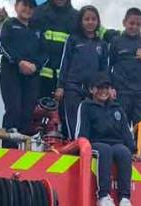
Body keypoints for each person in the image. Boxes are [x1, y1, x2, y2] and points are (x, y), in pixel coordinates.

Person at [76, 72, 138, 206]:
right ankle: (103, 196)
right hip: (95, 143)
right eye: (100, 87)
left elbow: (126, 132)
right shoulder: (86, 106)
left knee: (124, 152)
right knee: (105, 151)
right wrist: (82, 147)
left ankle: (124, 199)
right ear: (92, 89)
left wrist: (134, 151)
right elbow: (81, 132)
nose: (104, 91)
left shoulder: (117, 109)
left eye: (107, 87)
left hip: (116, 144)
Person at [0, 0, 78, 99]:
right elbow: (21, 29)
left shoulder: (77, 17)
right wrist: (2, 23)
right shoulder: (37, 11)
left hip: (63, 84)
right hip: (35, 77)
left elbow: (92, 35)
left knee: (62, 114)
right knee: (25, 112)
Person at [109, 7, 141, 161]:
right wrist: (110, 87)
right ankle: (121, 153)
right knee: (119, 124)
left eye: (138, 24)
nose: (134, 26)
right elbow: (107, 65)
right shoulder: (116, 42)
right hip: (121, 91)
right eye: (131, 23)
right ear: (124, 23)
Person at [56, 5, 109, 139]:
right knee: (73, 121)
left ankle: (88, 149)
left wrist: (107, 88)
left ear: (98, 22)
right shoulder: (73, 39)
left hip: (92, 90)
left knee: (91, 120)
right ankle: (73, 146)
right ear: (81, 21)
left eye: (93, 19)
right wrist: (60, 86)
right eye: (86, 19)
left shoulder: (102, 44)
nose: (90, 22)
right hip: (72, 87)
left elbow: (104, 70)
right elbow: (65, 63)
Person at [0, 0, 47, 143]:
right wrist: (19, 61)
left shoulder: (38, 29)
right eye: (24, 5)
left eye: (31, 6)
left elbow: (45, 53)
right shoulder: (9, 24)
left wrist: (35, 66)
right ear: (16, 7)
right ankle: (8, 151)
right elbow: (2, 45)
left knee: (27, 114)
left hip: (32, 76)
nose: (27, 9)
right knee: (13, 109)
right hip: (11, 73)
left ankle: (23, 155)